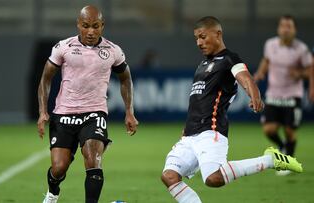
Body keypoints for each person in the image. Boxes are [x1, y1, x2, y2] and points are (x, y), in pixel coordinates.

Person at [160, 16, 303, 203]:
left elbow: (244, 77)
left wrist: (255, 95)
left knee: (213, 178)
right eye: (196, 38)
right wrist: (187, 128)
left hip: (211, 131)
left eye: (203, 37)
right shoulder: (203, 64)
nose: (199, 42)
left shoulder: (229, 59)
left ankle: (269, 160)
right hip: (190, 134)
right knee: (169, 176)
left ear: (218, 34)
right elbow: (198, 100)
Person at [37, 5, 138, 203]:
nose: (90, 31)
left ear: (102, 26)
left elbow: (126, 79)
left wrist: (129, 112)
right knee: (58, 169)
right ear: (78, 25)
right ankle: (52, 192)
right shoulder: (63, 47)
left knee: (93, 160)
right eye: (85, 26)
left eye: (95, 26)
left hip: (94, 113)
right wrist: (42, 112)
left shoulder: (113, 50)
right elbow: (45, 79)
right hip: (64, 114)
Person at [254, 15, 314, 175]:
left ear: (294, 30)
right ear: (279, 29)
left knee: (289, 131)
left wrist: (301, 75)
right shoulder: (270, 44)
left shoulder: (301, 49)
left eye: (289, 26)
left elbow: (310, 69)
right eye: (283, 26)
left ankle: (289, 161)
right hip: (274, 94)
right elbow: (266, 60)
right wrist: (260, 73)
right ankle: (282, 146)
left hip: (292, 95)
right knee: (268, 129)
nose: (286, 29)